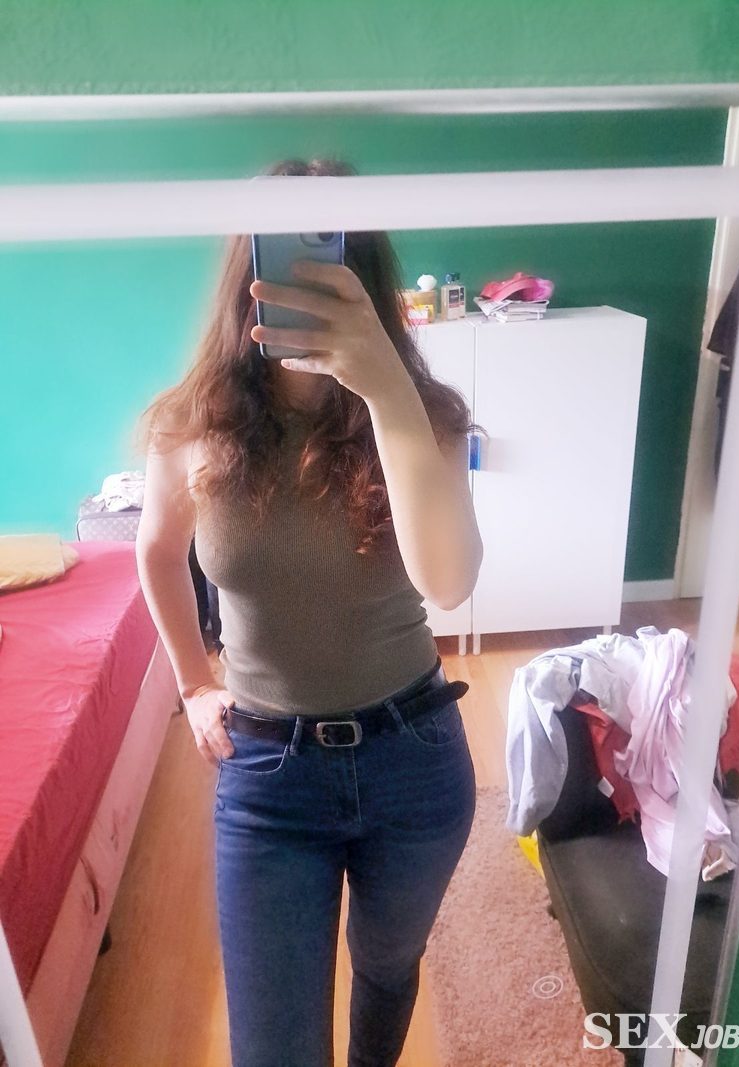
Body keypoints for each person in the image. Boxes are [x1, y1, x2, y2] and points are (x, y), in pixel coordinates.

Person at [134, 157, 484, 1067]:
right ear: (247, 270)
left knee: (387, 966)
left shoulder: (425, 418)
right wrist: (193, 684)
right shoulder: (192, 428)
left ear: (362, 278)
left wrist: (385, 389)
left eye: (329, 261)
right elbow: (156, 552)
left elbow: (449, 582)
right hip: (267, 775)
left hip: (414, 762)